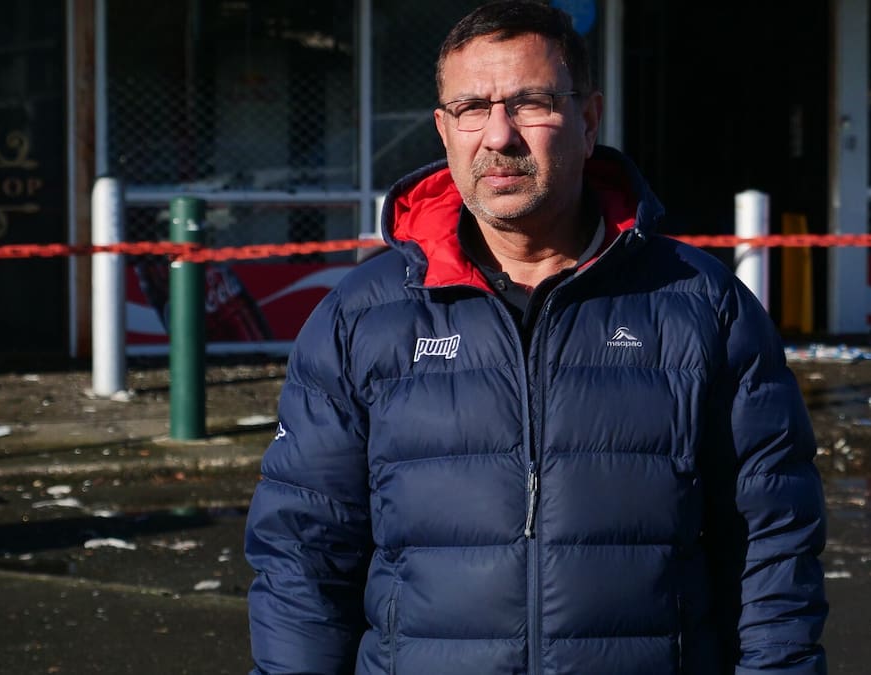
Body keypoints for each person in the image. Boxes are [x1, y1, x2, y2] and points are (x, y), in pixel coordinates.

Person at [243, 1, 829, 673]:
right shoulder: (362, 317)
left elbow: (771, 546)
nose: (499, 135)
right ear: (443, 129)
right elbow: (303, 552)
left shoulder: (701, 306)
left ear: (587, 118)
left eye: (531, 104)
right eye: (471, 108)